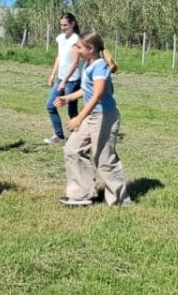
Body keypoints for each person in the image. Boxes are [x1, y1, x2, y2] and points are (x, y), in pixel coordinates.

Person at [54, 32, 131, 207]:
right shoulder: (89, 65)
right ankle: (82, 194)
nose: (76, 50)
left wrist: (79, 117)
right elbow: (87, 90)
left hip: (105, 117)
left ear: (90, 49)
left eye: (79, 47)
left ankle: (119, 200)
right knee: (72, 149)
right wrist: (69, 98)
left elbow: (97, 94)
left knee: (103, 158)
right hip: (92, 116)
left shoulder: (100, 66)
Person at [43, 13, 82, 145]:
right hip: (60, 79)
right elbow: (59, 57)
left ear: (72, 24)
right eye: (61, 25)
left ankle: (78, 138)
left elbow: (75, 62)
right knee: (50, 106)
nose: (62, 27)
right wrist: (53, 75)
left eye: (65, 25)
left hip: (73, 80)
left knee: (72, 109)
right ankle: (58, 135)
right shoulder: (60, 38)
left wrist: (65, 80)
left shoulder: (77, 39)